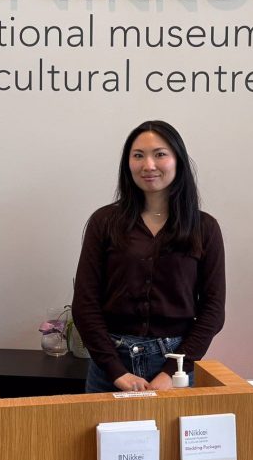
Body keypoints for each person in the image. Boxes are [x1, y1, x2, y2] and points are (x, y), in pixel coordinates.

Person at [71, 120, 226, 393]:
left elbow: (212, 312)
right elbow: (85, 304)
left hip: (176, 366)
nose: (149, 165)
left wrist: (170, 373)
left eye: (160, 154)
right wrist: (116, 371)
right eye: (138, 155)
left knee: (169, 437)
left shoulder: (204, 228)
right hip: (111, 365)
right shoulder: (104, 221)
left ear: (177, 160)